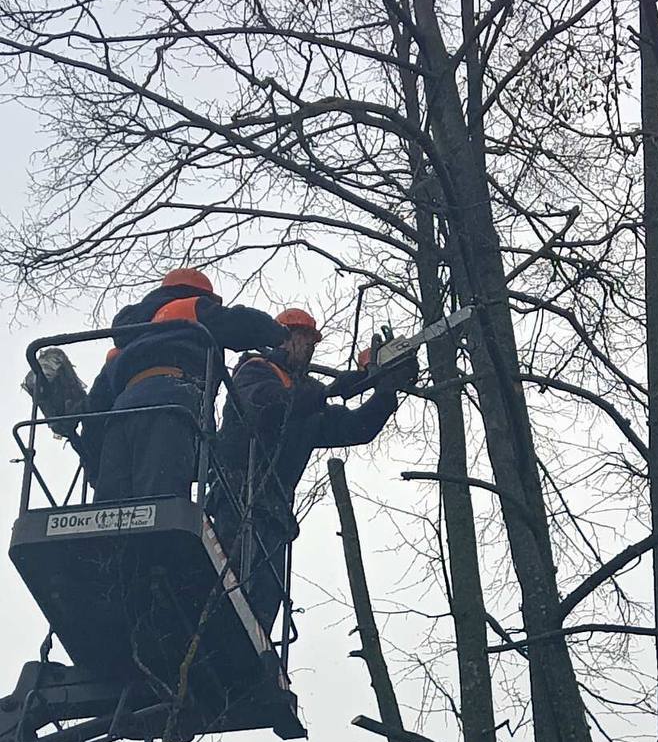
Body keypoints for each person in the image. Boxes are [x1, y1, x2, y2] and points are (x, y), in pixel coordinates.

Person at [213, 307, 417, 635]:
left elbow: (355, 427)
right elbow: (268, 405)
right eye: (302, 339)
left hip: (275, 512)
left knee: (260, 611)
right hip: (238, 499)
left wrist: (386, 389)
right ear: (282, 338)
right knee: (229, 598)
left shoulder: (308, 404)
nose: (308, 349)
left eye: (312, 342)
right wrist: (330, 390)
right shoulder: (255, 371)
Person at [91, 268, 288, 502]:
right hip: (170, 401)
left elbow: (94, 407)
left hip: (121, 413)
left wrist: (94, 463)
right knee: (160, 505)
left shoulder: (129, 338)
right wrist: (278, 334)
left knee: (109, 511)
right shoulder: (189, 308)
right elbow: (243, 324)